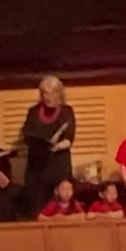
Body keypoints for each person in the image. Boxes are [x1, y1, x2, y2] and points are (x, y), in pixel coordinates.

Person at [20, 75, 77, 216]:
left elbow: (69, 139)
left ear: (59, 94)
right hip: (36, 168)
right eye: (45, 93)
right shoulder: (33, 112)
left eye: (51, 93)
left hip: (58, 167)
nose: (48, 97)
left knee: (60, 209)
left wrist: (56, 146)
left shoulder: (66, 111)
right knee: (37, 209)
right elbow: (26, 134)